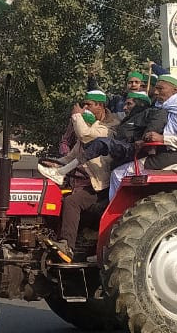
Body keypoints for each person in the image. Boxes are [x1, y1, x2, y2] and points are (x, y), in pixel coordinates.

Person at [39, 91, 118, 260]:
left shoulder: (109, 127)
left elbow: (86, 135)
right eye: (83, 105)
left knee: (72, 202)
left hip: (102, 186)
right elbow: (72, 155)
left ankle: (67, 245)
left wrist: (76, 116)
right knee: (59, 199)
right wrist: (56, 163)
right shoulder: (93, 125)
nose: (85, 108)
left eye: (88, 104)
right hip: (90, 183)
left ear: (100, 106)